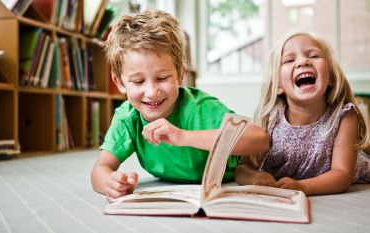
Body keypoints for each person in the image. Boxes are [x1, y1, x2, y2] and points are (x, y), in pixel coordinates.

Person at [90, 9, 269, 201]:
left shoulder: (199, 107)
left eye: (162, 78)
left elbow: (260, 139)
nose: (151, 92)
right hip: (186, 190)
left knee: (250, 170)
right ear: (120, 83)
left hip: (234, 171)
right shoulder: (127, 118)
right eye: (138, 81)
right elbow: (100, 169)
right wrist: (111, 183)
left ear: (180, 75)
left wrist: (183, 136)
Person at [235, 31, 370, 196]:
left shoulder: (344, 116)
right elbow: (243, 168)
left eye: (313, 55)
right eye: (289, 60)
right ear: (278, 85)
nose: (303, 61)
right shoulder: (269, 120)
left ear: (331, 78)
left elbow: (342, 174)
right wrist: (256, 177)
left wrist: (303, 187)